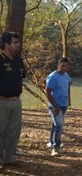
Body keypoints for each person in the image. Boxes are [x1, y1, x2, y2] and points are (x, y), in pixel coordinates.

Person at [0, 32, 25, 170]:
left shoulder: (18, 59)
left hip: (16, 102)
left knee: (13, 131)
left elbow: (21, 77)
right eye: (15, 42)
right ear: (6, 44)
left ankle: (9, 157)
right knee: (0, 131)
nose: (18, 45)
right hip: (1, 102)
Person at [46, 57, 72, 156]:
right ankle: (55, 147)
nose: (64, 68)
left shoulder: (66, 75)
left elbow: (70, 81)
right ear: (58, 66)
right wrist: (55, 106)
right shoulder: (52, 76)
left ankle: (53, 143)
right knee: (59, 126)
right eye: (62, 66)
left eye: (66, 66)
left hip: (64, 105)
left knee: (56, 126)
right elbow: (48, 92)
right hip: (55, 106)